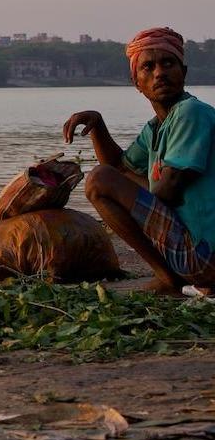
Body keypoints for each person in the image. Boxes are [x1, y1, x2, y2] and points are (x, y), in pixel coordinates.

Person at [67, 27, 215, 295]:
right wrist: (98, 127)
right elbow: (120, 168)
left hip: (205, 256)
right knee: (105, 177)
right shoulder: (156, 128)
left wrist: (120, 188)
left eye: (168, 63)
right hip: (197, 258)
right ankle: (174, 277)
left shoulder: (190, 113)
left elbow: (167, 190)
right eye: (148, 67)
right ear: (136, 82)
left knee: (99, 179)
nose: (160, 73)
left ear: (184, 72)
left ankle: (169, 279)